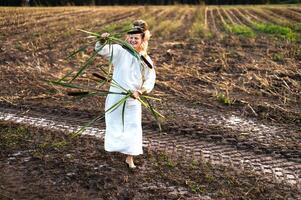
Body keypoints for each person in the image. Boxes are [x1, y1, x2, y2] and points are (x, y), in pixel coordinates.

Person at [94, 20, 156, 168]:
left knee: (133, 126)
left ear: (142, 40)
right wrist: (102, 40)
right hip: (116, 95)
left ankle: (130, 158)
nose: (133, 40)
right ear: (127, 38)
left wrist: (141, 91)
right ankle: (115, 146)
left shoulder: (145, 59)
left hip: (132, 97)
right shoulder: (119, 50)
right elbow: (101, 50)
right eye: (131, 37)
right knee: (115, 123)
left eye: (136, 38)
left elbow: (150, 77)